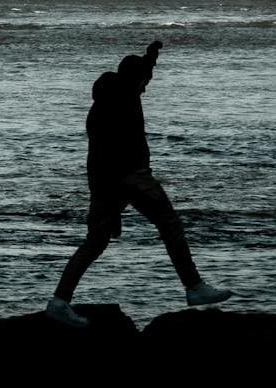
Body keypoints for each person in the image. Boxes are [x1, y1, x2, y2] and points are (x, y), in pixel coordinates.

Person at [46, 40, 232, 328]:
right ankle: (194, 286)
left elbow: (137, 72)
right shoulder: (123, 96)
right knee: (169, 223)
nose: (146, 89)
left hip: (105, 181)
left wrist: (151, 56)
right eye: (144, 82)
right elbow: (135, 79)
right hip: (130, 176)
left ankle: (59, 301)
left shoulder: (105, 100)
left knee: (94, 243)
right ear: (134, 80)